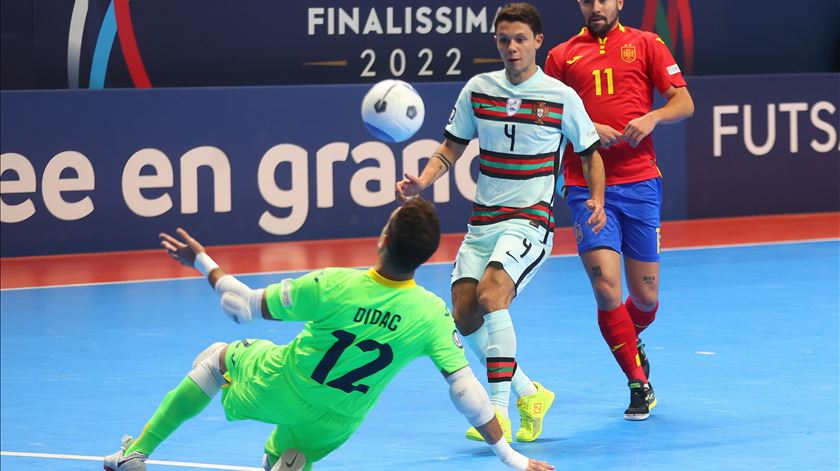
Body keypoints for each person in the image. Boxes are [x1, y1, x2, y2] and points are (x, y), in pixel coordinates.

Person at [103, 198, 554, 471]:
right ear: (424, 256)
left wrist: (204, 261)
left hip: (278, 383)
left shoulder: (333, 285)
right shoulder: (431, 313)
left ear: (383, 239)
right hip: (337, 423)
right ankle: (289, 459)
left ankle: (135, 453)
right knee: (286, 451)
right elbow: (467, 393)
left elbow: (241, 307)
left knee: (219, 356)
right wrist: (511, 458)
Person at [396, 3, 606, 443]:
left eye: (520, 40)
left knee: (493, 296)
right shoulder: (478, 89)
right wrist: (423, 181)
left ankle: (497, 414)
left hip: (531, 221)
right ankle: (530, 393)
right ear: (497, 42)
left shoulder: (561, 96)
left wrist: (597, 200)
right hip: (483, 221)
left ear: (537, 43)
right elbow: (450, 147)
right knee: (464, 312)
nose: (512, 47)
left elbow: (589, 154)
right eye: (504, 39)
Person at [544, 0, 695, 420]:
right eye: (587, 0)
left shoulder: (646, 44)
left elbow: (684, 102)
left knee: (645, 301)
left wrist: (653, 118)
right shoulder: (561, 55)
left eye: (603, 0)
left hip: (641, 182)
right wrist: (586, 129)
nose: (595, 6)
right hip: (588, 185)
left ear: (619, 3)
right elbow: (547, 115)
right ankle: (638, 383)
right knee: (607, 289)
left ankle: (629, 338)